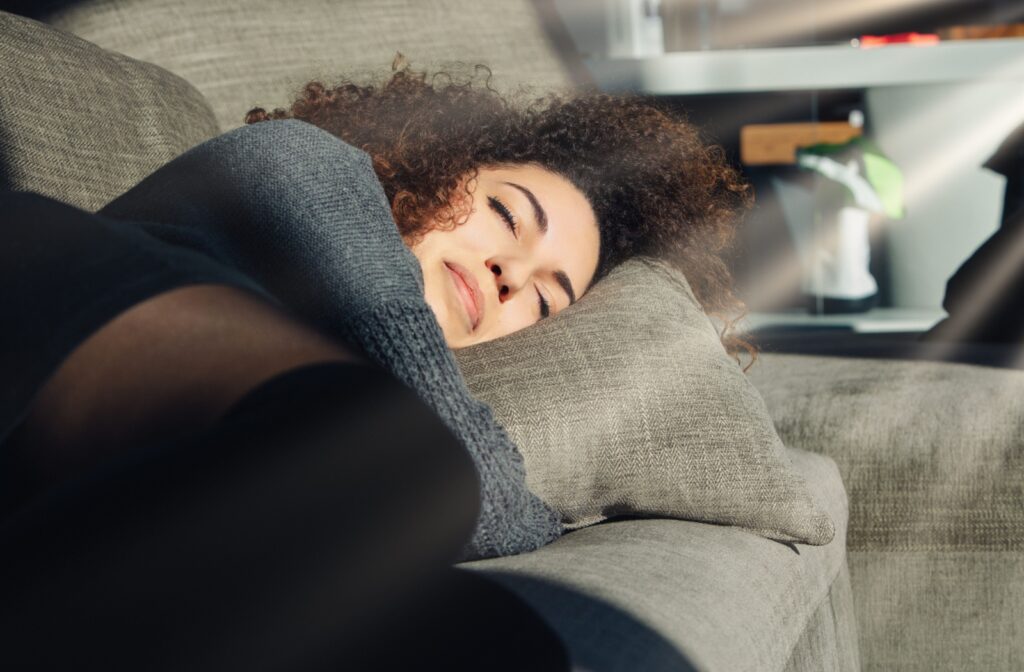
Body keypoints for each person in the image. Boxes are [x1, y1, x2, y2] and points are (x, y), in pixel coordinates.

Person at [0, 58, 753, 670]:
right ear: (444, 162)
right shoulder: (310, 165)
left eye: (545, 300)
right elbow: (471, 482)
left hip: (94, 484)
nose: (510, 273)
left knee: (501, 637)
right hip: (40, 293)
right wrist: (526, 507)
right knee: (406, 467)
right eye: (506, 214)